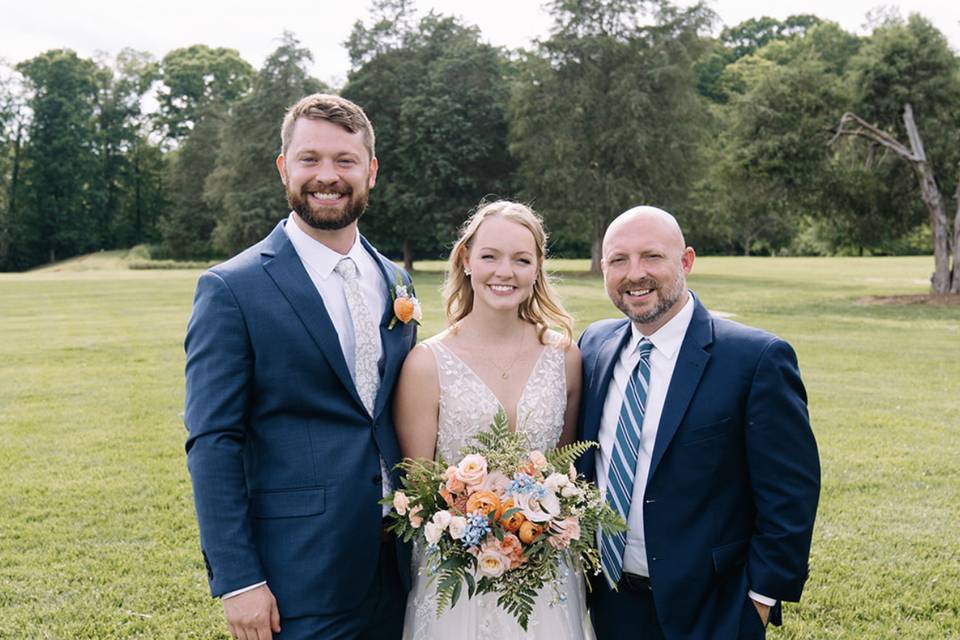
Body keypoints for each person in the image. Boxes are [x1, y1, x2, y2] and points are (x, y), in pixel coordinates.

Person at [183, 93, 417, 640]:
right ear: (284, 167)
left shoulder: (394, 281)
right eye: (310, 159)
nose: (327, 176)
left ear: (371, 172)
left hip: (401, 569)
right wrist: (240, 580)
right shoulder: (231, 289)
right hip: (298, 575)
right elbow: (213, 440)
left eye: (345, 160)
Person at [578, 206, 820, 640]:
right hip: (609, 601)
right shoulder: (594, 344)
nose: (635, 274)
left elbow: (790, 496)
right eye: (619, 260)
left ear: (686, 261)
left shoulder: (756, 359)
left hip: (713, 609)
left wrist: (759, 601)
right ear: (604, 268)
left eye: (652, 257)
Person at [393, 200, 592, 639]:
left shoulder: (564, 357)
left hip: (547, 577)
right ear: (466, 260)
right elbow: (420, 495)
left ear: (538, 267)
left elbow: (563, 470)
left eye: (522, 259)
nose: (506, 272)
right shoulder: (427, 364)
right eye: (490, 256)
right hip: (457, 582)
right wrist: (475, 533)